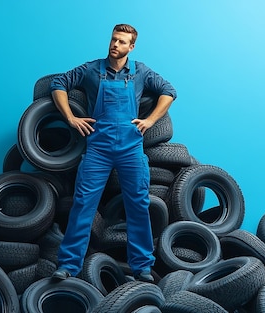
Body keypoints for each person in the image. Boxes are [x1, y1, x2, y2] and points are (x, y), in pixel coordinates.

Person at [50, 23, 177, 283]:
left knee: (138, 205)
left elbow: (169, 92)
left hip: (131, 147)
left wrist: (150, 121)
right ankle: (68, 265)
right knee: (84, 203)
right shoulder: (91, 70)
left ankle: (142, 266)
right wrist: (71, 117)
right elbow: (58, 83)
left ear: (131, 47)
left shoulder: (140, 72)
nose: (115, 45)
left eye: (121, 42)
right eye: (113, 40)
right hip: (98, 146)